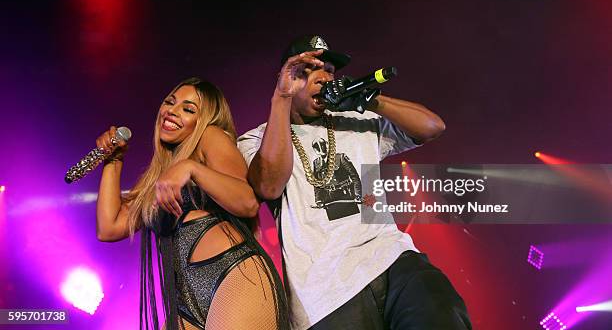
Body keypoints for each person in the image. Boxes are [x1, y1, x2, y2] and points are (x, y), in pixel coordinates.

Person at [237, 35, 472, 329]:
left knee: (442, 311)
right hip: (325, 295)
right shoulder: (257, 139)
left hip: (390, 259)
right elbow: (268, 186)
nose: (322, 77)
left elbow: (432, 127)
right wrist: (282, 98)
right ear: (286, 78)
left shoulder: (355, 120)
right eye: (307, 70)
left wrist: (371, 100)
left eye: (329, 70)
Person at [95, 77, 289, 330]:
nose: (172, 112)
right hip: (185, 297)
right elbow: (109, 228)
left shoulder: (211, 136)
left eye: (188, 109)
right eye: (170, 103)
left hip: (232, 273)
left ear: (202, 121)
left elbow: (247, 202)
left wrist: (191, 168)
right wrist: (114, 161)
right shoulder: (160, 174)